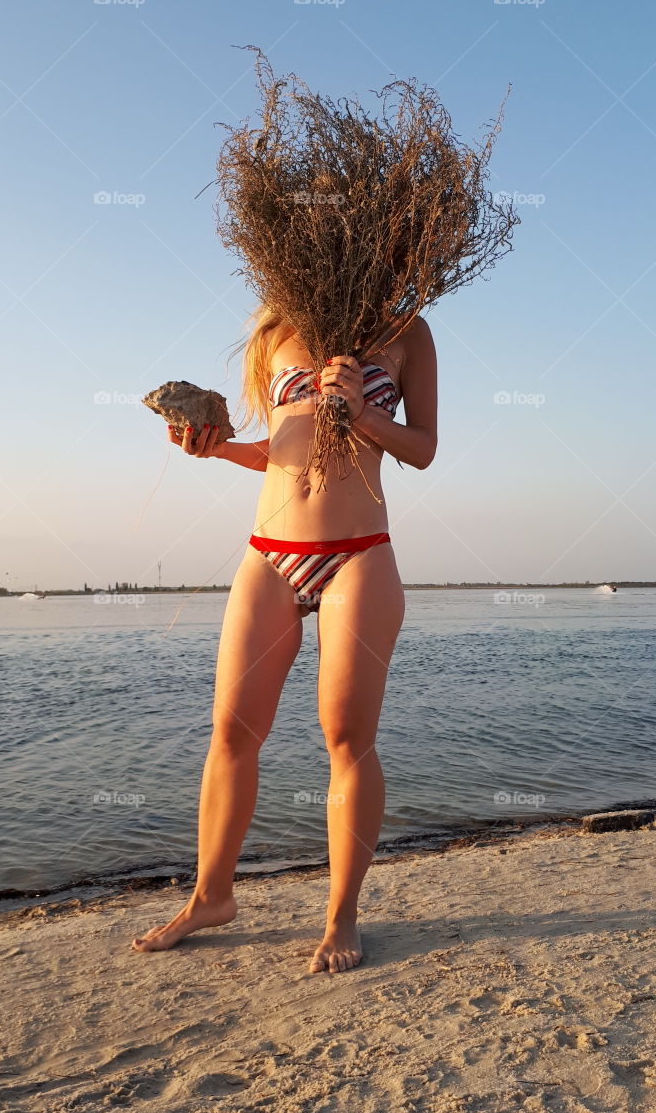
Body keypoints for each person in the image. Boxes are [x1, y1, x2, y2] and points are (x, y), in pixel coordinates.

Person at [131, 304, 438, 972]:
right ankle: (211, 896)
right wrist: (215, 447)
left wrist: (364, 414)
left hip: (359, 555)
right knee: (232, 730)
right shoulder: (275, 327)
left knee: (347, 740)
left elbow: (423, 449)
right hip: (269, 553)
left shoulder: (406, 331)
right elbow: (278, 447)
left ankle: (342, 916)